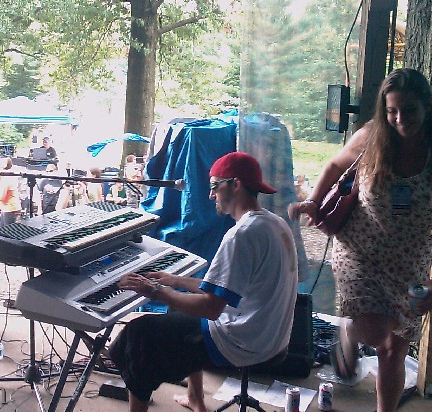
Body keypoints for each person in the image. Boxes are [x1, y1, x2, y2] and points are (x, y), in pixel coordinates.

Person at [288, 68, 432, 412]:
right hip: (359, 250)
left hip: (411, 262)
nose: (400, 119)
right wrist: (314, 200)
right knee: (374, 331)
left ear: (427, 108)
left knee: (394, 351)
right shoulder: (372, 136)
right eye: (392, 111)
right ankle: (348, 336)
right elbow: (332, 165)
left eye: (410, 110)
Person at [110, 152, 298, 412]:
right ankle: (196, 398)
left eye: (214, 186)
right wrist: (175, 280)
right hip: (270, 337)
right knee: (178, 307)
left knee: (139, 336)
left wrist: (155, 290)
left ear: (236, 184)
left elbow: (211, 308)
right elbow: (226, 289)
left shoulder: (241, 234)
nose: (211, 195)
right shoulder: (274, 223)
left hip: (243, 341)